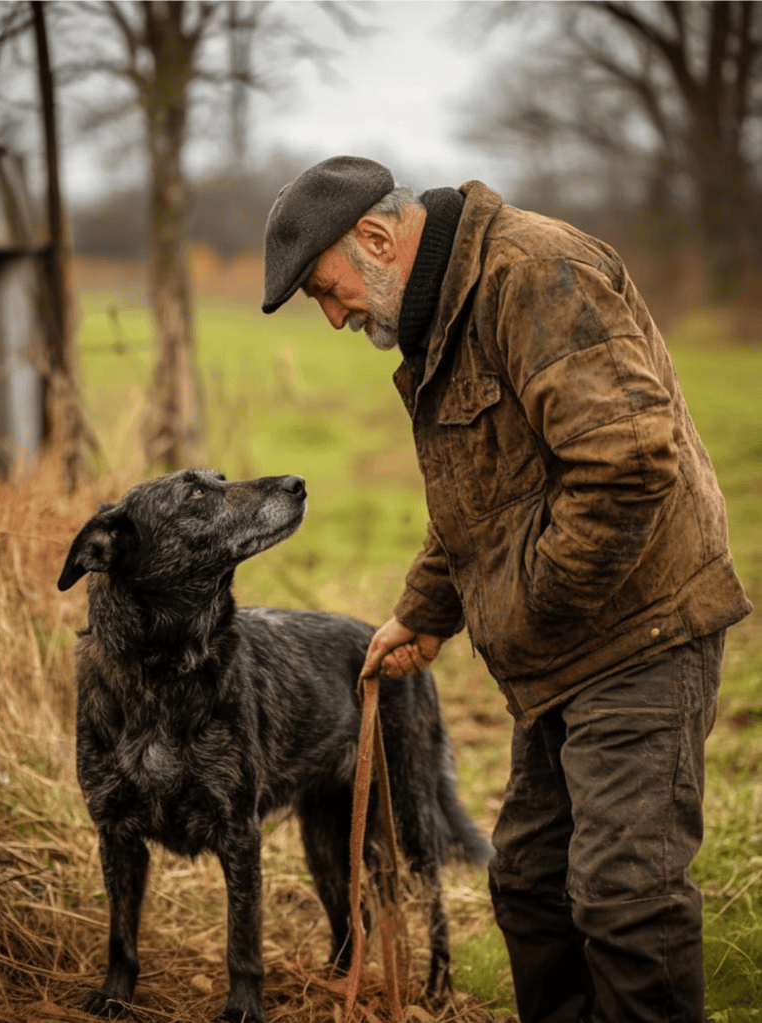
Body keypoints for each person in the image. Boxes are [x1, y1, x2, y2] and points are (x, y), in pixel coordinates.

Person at [261, 155, 752, 1023]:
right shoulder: (444, 315)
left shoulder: (531, 275)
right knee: (528, 886)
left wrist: (524, 607)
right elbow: (480, 500)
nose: (334, 316)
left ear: (374, 238)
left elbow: (627, 462)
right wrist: (424, 609)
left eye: (325, 291)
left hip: (638, 633)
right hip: (563, 647)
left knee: (624, 900)